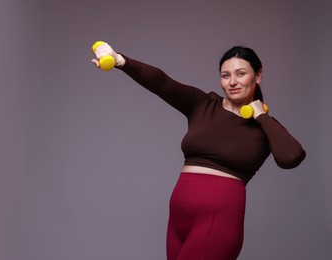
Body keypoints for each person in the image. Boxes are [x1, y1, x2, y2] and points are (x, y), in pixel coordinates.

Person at [91, 43, 306, 260]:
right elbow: (163, 84)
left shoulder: (265, 126)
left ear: (258, 75)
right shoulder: (203, 104)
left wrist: (261, 116)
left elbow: (291, 157)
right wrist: (120, 60)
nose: (232, 82)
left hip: (218, 217)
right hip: (178, 217)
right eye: (225, 75)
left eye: (241, 74)